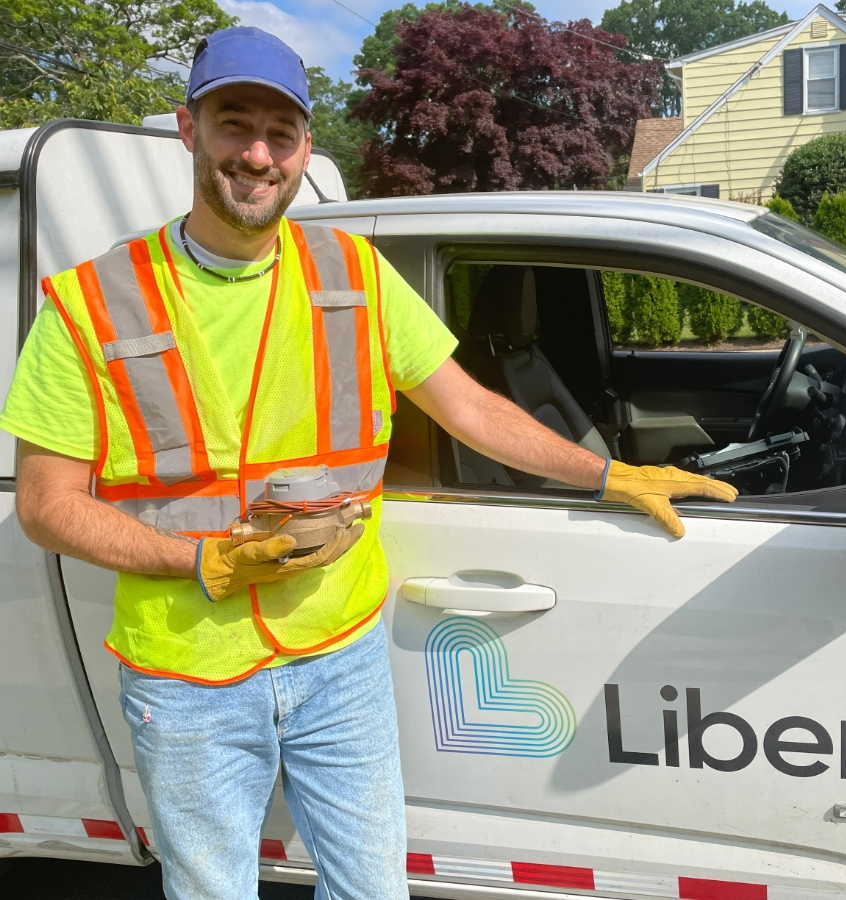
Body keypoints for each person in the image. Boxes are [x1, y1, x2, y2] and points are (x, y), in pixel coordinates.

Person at [0, 26, 736, 900]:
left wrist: (607, 474)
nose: (259, 154)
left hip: (335, 656)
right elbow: (47, 504)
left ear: (307, 148)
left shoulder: (352, 272)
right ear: (187, 129)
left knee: (372, 890)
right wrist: (198, 557)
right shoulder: (91, 303)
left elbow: (468, 409)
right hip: (186, 673)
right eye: (234, 123)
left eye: (282, 133)